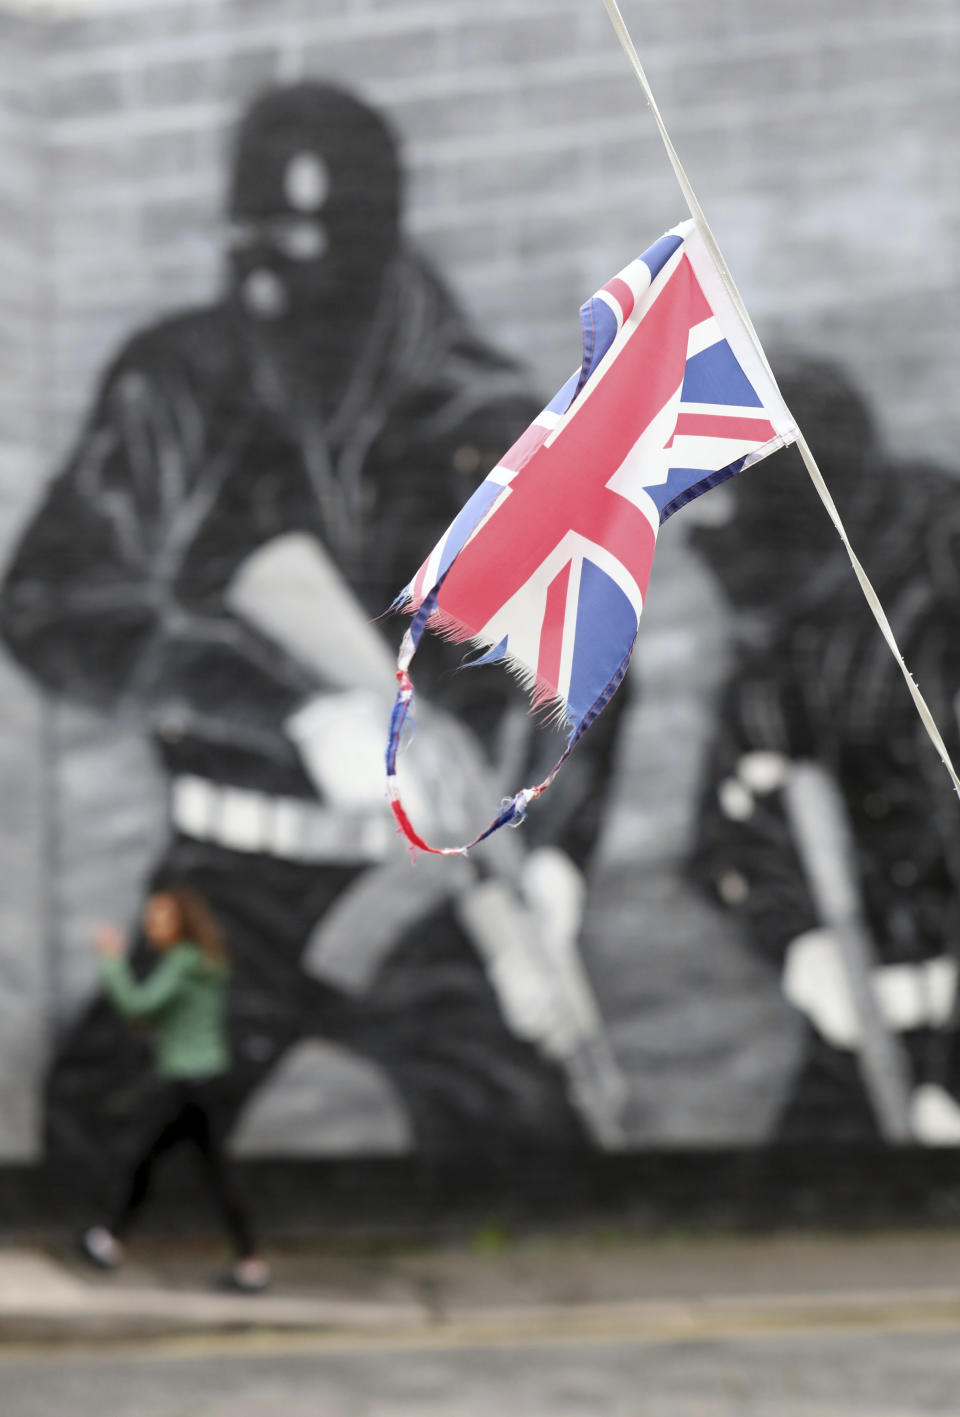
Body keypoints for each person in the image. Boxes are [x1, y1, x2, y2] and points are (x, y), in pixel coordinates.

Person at [2, 81, 630, 1174]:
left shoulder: (479, 417)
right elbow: (52, 599)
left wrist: (553, 853)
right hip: (233, 870)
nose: (262, 285)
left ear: (371, 246)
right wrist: (291, 712)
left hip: (434, 882)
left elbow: (581, 650)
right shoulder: (175, 388)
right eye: (247, 245)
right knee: (100, 1135)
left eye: (298, 253)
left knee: (534, 1146)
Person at [688, 357, 960, 1140]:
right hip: (869, 1032)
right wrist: (800, 940)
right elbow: (726, 829)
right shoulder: (780, 618)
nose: (702, 527)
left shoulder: (938, 594)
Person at [80, 887, 270, 1293]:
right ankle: (249, 1263)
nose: (152, 925)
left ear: (183, 923)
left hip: (191, 1085)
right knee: (196, 1170)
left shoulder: (183, 961)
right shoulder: (201, 962)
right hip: (206, 1081)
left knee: (153, 1162)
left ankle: (109, 1239)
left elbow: (137, 1005)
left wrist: (112, 961)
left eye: (161, 918)